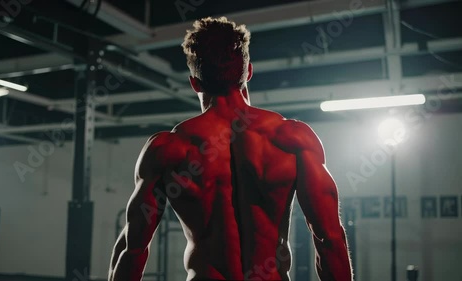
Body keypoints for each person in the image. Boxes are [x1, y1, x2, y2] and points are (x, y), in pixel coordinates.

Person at [108, 17, 353, 281]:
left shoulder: (168, 148)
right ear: (248, 72)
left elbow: (133, 249)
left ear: (195, 83)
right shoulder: (293, 138)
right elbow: (329, 238)